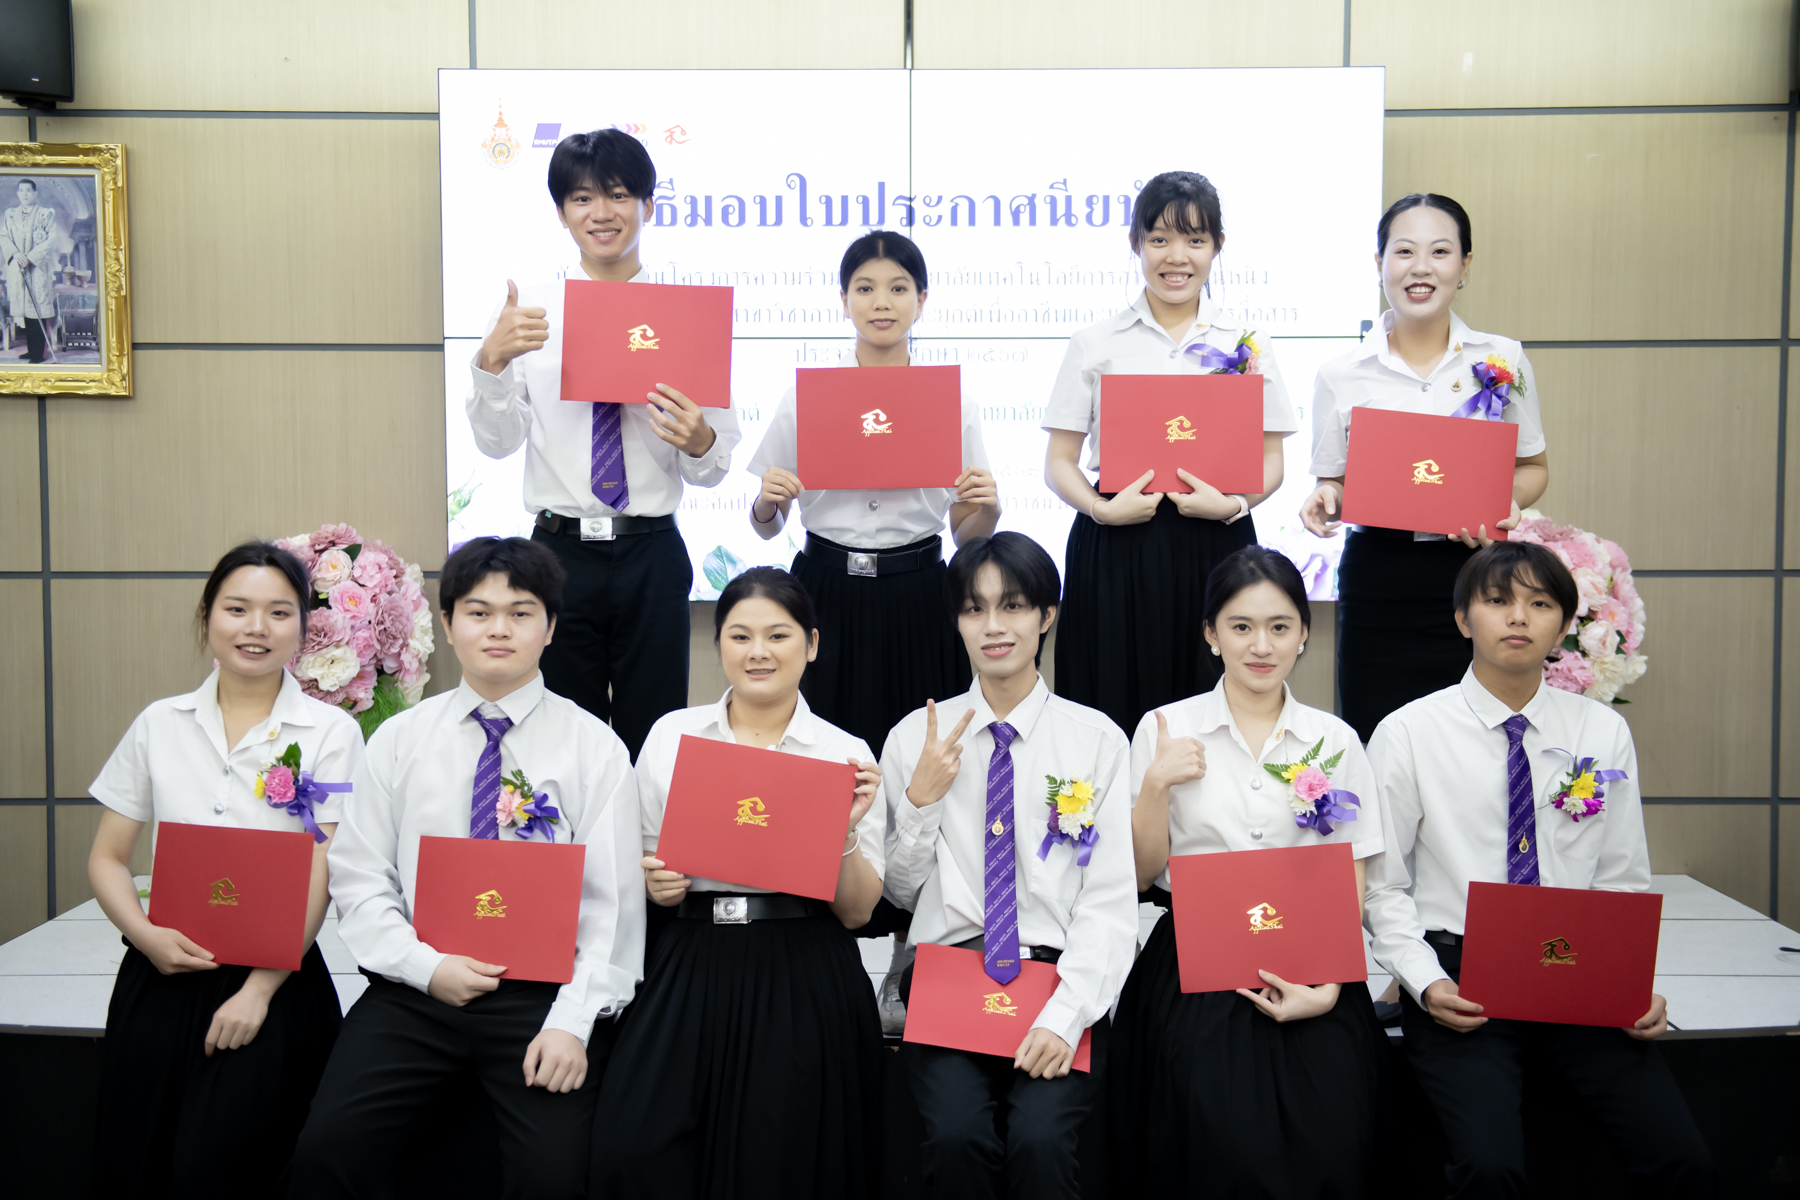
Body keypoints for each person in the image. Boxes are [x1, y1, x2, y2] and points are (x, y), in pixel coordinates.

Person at [288, 536, 643, 1199]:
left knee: (555, 1176)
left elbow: (612, 909)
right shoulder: (399, 739)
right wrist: (426, 967)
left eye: (520, 612)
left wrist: (571, 1023)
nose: (498, 629)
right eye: (479, 613)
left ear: (551, 627)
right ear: (448, 626)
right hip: (415, 990)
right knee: (328, 1151)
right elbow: (361, 878)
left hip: (540, 998)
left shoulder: (595, 748)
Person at [1363, 541, 1712, 1197]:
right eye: (1498, 601)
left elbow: (1621, 879)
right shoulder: (1409, 732)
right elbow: (1382, 886)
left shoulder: (1600, 732)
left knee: (1681, 1157)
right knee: (1490, 1170)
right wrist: (1425, 983)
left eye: (1540, 603)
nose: (1518, 617)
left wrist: (1630, 986)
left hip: (1574, 967)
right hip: (1460, 974)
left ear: (1564, 624)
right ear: (1463, 618)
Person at [591, 567, 887, 1200]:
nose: (758, 652)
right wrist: (658, 884)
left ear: (811, 644)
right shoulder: (673, 734)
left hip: (803, 962)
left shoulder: (845, 753)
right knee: (637, 1142)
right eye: (740, 635)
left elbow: (858, 912)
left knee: (777, 1158)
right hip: (691, 953)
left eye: (778, 636)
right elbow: (641, 858)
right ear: (718, 642)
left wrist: (842, 830)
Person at [1109, 545, 1387, 1197]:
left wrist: (1329, 986)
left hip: (1314, 958)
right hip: (1197, 960)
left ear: (1304, 634)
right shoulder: (1165, 728)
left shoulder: (1336, 739)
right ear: (1211, 634)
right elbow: (1141, 873)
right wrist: (1155, 785)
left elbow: (1352, 868)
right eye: (1241, 626)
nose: (1261, 646)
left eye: (1279, 626)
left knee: (1335, 1132)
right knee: (1218, 1135)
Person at [86, 540, 362, 1194]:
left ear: (303, 626)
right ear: (207, 615)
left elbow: (321, 870)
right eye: (237, 609)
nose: (256, 627)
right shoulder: (160, 723)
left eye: (279, 612)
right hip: (162, 966)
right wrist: (144, 935)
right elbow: (107, 858)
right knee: (139, 1157)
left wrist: (259, 991)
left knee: (229, 1165)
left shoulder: (331, 732)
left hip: (278, 978)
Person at [466, 128, 740, 759]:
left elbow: (712, 468)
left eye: (618, 195)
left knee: (655, 736)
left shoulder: (684, 317)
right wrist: (492, 363)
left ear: (648, 205)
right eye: (582, 198)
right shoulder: (528, 314)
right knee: (560, 739)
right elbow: (497, 443)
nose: (601, 213)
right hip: (557, 554)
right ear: (562, 213)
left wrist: (700, 440)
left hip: (651, 552)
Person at [882, 532, 1138, 1200]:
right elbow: (901, 892)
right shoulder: (915, 738)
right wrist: (922, 801)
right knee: (955, 1137)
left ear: (1047, 615)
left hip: (1058, 977)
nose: (993, 626)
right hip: (949, 975)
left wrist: (1067, 1014)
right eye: (975, 609)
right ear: (957, 621)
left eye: (1013, 606)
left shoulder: (1096, 740)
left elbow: (1109, 900)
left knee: (1042, 1142)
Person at [1043, 170, 1297, 740]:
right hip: (1117, 542)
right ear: (1136, 243)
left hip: (1216, 541)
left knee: (1213, 703)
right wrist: (1101, 509)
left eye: (1194, 240)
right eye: (1159, 239)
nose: (1176, 256)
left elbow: (1272, 461)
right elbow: (1058, 461)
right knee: (1112, 700)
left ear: (1217, 246)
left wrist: (1233, 505)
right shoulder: (1096, 342)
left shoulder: (1245, 341)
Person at [1299, 193, 1550, 744]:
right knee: (1378, 737)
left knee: (1476, 741)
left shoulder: (1501, 359)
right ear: (1379, 263)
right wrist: (1325, 497)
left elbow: (1533, 466)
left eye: (1439, 252)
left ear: (1464, 264)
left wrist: (1505, 504)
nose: (1421, 268)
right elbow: (1333, 479)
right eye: (1404, 251)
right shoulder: (1342, 373)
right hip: (1378, 576)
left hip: (1475, 572)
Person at [747, 229, 1000, 759]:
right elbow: (768, 525)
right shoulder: (805, 398)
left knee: (922, 747)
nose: (881, 302)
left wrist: (988, 512)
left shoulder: (953, 403)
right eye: (864, 288)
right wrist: (767, 503)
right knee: (819, 748)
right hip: (825, 586)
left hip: (919, 590)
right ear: (843, 300)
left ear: (921, 300)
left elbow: (965, 531)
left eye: (898, 288)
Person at [2, 177, 58, 364]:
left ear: (35, 193)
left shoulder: (45, 214)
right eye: (21, 190)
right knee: (26, 311)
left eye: (28, 190)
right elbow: (4, 237)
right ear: (18, 193)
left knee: (37, 309)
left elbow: (51, 240)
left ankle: (39, 354)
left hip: (37, 268)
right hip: (18, 267)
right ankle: (31, 350)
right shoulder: (10, 215)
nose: (24, 194)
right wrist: (16, 254)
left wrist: (31, 257)